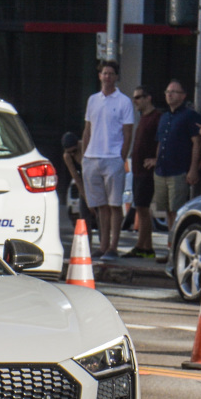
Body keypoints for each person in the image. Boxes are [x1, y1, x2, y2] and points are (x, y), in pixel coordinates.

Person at [81, 60, 134, 261]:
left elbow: (128, 132)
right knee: (100, 206)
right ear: (100, 75)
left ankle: (113, 246)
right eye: (104, 73)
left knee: (114, 205)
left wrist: (121, 157)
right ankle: (102, 246)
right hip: (93, 157)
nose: (107, 77)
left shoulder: (124, 102)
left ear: (116, 76)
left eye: (111, 73)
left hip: (113, 158)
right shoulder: (93, 100)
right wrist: (85, 155)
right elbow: (87, 129)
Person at [153, 79, 201, 249]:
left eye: (174, 92)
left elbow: (197, 142)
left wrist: (193, 169)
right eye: (168, 91)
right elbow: (160, 142)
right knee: (167, 211)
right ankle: (171, 246)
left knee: (177, 211)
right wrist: (156, 161)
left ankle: (179, 246)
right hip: (162, 170)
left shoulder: (190, 116)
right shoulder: (164, 116)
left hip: (179, 170)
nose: (169, 95)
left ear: (183, 96)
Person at [123, 86, 161, 259]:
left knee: (142, 208)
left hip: (147, 171)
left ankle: (141, 246)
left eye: (138, 97)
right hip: (137, 170)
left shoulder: (156, 117)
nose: (135, 101)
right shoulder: (143, 118)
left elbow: (161, 141)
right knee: (141, 208)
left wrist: (156, 159)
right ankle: (147, 247)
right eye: (134, 98)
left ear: (148, 98)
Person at [60, 131, 97, 239]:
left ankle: (103, 244)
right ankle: (87, 244)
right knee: (84, 214)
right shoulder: (67, 156)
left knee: (99, 214)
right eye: (69, 152)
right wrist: (87, 199)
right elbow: (76, 177)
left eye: (74, 151)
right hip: (83, 183)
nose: (72, 154)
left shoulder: (84, 146)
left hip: (95, 180)